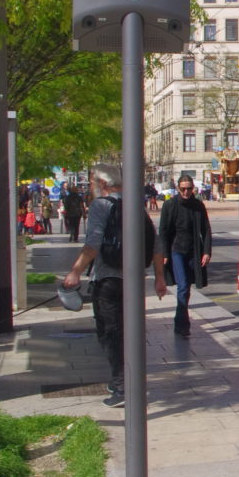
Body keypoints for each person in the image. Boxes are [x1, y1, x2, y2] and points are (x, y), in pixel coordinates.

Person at [62, 164, 167, 407]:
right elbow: (156, 242)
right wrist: (160, 277)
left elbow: (93, 243)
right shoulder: (135, 206)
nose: (89, 188)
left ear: (102, 184)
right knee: (128, 332)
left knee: (110, 333)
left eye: (91, 183)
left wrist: (75, 272)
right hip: (133, 281)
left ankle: (122, 387)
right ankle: (126, 381)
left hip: (107, 280)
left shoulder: (101, 205)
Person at [159, 175, 212, 339]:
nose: (186, 192)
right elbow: (163, 232)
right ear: (178, 188)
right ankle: (183, 325)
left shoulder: (198, 206)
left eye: (189, 188)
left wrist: (207, 251)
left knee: (187, 288)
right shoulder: (170, 205)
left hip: (193, 251)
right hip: (176, 250)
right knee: (182, 286)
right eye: (183, 188)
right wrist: (164, 254)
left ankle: (179, 320)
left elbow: (206, 230)